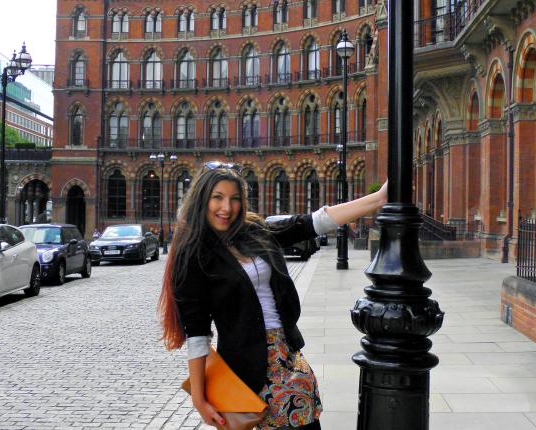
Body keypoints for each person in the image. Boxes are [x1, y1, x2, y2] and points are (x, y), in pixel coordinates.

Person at [158, 161, 387, 430]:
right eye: (217, 198)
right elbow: (197, 333)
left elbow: (311, 223)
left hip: (287, 352)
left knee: (309, 422)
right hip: (248, 364)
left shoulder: (252, 230)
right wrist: (199, 398)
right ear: (201, 200)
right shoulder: (194, 254)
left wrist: (379, 199)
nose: (226, 208)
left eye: (234, 199)